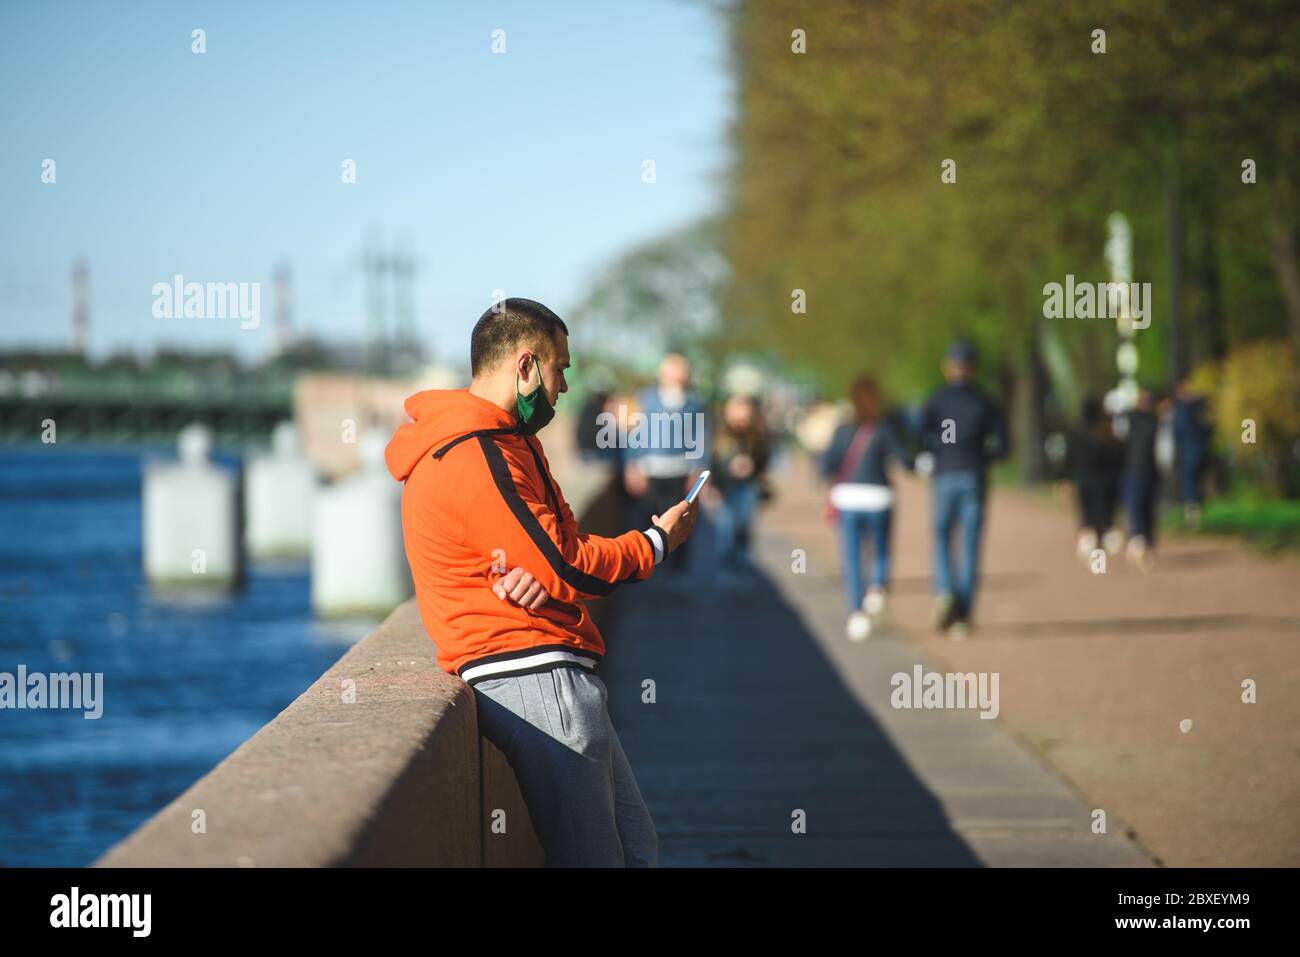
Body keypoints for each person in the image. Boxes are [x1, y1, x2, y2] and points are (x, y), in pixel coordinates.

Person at [384, 298, 698, 866]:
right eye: (561, 368)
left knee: (633, 848)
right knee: (599, 858)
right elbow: (569, 563)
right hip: (531, 675)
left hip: (541, 671)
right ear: (526, 366)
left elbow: (540, 549)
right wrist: (657, 543)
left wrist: (530, 573)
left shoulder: (501, 440)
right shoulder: (478, 452)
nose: (565, 387)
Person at [919, 340, 1008, 638]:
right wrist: (983, 459)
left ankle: (945, 589)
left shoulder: (937, 400)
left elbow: (921, 436)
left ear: (947, 367)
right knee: (969, 544)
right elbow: (1003, 445)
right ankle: (963, 616)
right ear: (973, 367)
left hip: (945, 474)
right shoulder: (985, 402)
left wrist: (937, 452)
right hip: (973, 475)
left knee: (942, 537)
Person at [820, 376, 915, 641]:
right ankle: (876, 591)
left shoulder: (842, 429)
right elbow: (905, 458)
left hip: (848, 498)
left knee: (852, 558)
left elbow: (827, 464)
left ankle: (856, 614)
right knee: (881, 550)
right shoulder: (883, 428)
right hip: (879, 497)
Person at [622, 353, 710, 577]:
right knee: (648, 516)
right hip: (651, 470)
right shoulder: (646, 399)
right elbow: (634, 433)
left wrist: (699, 468)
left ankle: (678, 568)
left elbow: (701, 436)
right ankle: (647, 563)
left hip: (681, 470)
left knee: (681, 517)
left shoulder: (694, 402)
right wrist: (631, 465)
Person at [708, 393, 770, 587]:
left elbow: (764, 459)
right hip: (726, 487)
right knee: (725, 528)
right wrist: (718, 481)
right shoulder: (719, 434)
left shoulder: (755, 434)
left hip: (748, 487)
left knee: (744, 527)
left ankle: (742, 567)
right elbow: (713, 462)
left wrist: (752, 466)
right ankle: (725, 568)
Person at [1067, 396, 1125, 561]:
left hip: (1085, 480)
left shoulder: (1076, 431)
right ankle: (1100, 559)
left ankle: (1096, 560)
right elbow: (1118, 456)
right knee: (1104, 516)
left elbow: (1069, 458)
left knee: (1087, 516)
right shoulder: (1106, 432)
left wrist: (1066, 479)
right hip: (1105, 481)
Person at [1121, 386, 1160, 569]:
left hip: (1150, 471)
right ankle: (1139, 541)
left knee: (1145, 508)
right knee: (1135, 506)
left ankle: (1146, 543)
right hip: (1133, 469)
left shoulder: (1156, 421)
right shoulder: (1131, 418)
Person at [1172, 378, 1212, 528]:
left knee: (1192, 482)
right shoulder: (1192, 408)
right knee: (1191, 483)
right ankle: (1193, 511)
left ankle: (1193, 511)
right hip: (1190, 451)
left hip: (1192, 452)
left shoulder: (1188, 409)